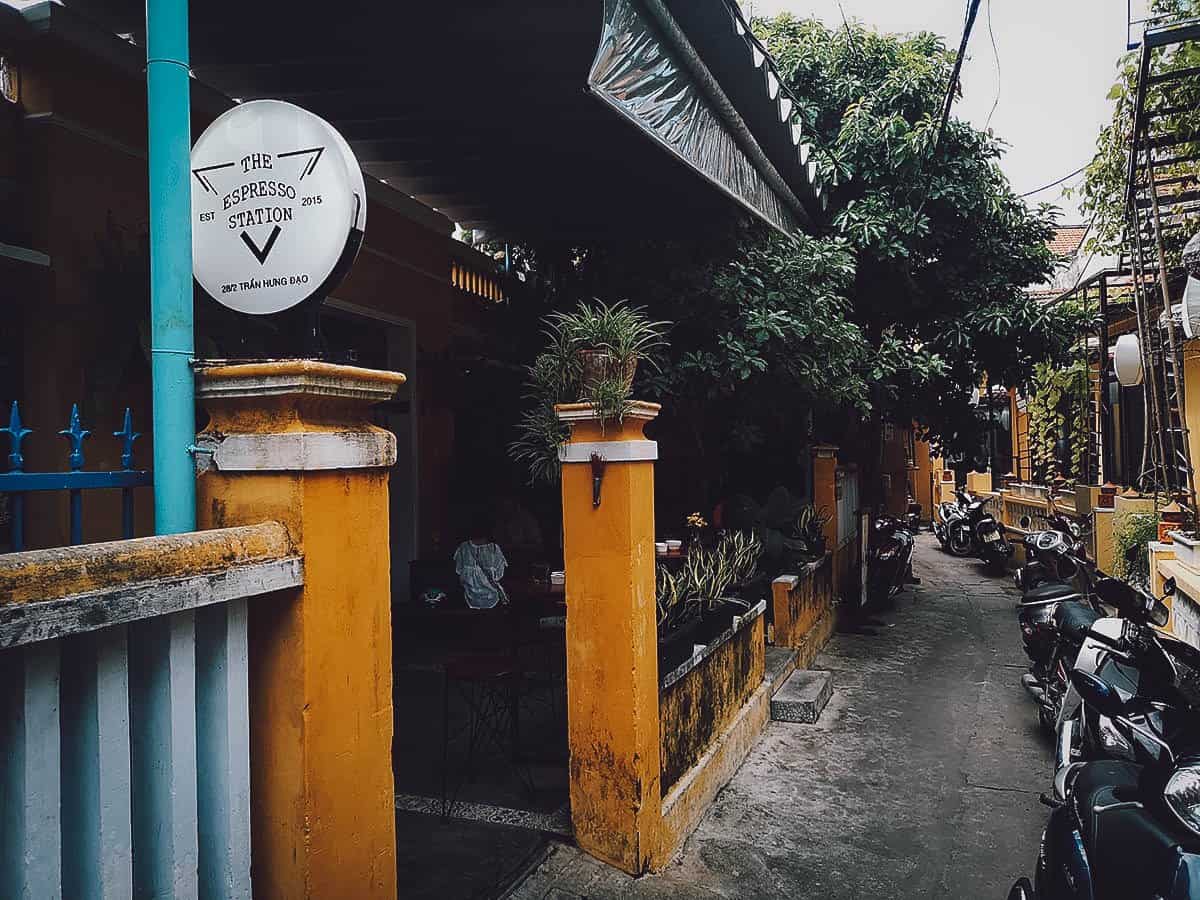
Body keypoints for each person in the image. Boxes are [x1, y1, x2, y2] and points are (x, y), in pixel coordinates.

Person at [453, 513, 509, 610]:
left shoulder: (463, 548)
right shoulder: (495, 550)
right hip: (492, 602)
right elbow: (500, 576)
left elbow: (459, 572)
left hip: (467, 601)